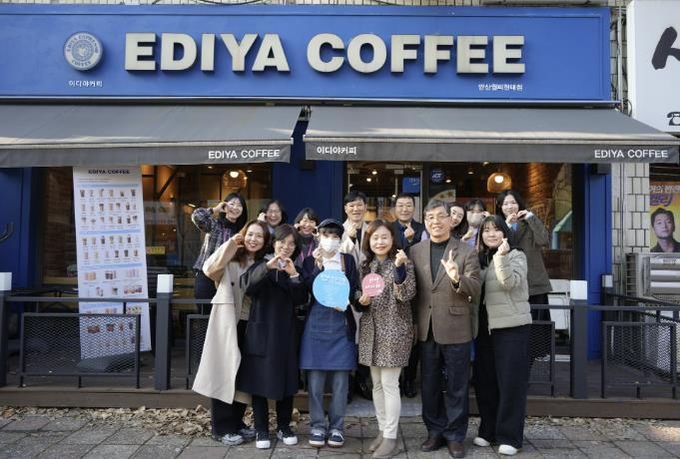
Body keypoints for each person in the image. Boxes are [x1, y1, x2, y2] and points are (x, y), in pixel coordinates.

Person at [410, 199, 481, 459]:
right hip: (426, 328)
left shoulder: (467, 251)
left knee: (457, 386)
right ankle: (434, 431)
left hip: (456, 326)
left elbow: (476, 287)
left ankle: (455, 435)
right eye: (430, 217)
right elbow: (412, 290)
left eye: (440, 216)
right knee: (429, 385)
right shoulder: (415, 250)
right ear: (425, 222)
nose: (435, 222)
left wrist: (456, 278)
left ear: (451, 220)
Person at [193, 220, 270, 445]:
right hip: (228, 322)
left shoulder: (265, 262)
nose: (254, 239)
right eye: (250, 234)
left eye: (259, 236)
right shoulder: (230, 258)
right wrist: (230, 245)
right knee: (224, 372)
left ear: (265, 241)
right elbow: (208, 269)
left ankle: (237, 422)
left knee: (244, 375)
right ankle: (221, 428)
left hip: (252, 325)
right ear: (243, 235)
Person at [237, 224, 308, 450]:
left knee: (286, 382)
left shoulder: (295, 269)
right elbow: (247, 287)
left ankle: (284, 426)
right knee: (259, 382)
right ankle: (261, 428)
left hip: (286, 333)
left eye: (291, 244)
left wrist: (294, 275)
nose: (286, 247)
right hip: (261, 332)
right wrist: (268, 267)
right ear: (273, 243)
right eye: (282, 242)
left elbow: (301, 299)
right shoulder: (260, 264)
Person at [473, 215, 532, 456]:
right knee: (485, 381)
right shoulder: (480, 258)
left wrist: (502, 257)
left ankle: (510, 437)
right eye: (486, 230)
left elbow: (509, 283)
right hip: (485, 329)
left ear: (505, 232)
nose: (491, 234)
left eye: (496, 229)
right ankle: (488, 430)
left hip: (512, 327)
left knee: (511, 383)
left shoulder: (516, 255)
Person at [357, 220, 416, 459]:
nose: (379, 242)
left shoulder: (403, 262)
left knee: (390, 384)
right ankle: (383, 431)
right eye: (375, 238)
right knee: (377, 385)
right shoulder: (366, 265)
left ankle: (391, 437)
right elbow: (359, 295)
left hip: (395, 330)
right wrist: (361, 299)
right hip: (371, 331)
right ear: (368, 241)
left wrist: (400, 270)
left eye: (384, 237)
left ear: (393, 240)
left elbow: (406, 294)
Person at [299, 218, 360, 449]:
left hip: (341, 324)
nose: (331, 240)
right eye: (327, 235)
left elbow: (354, 289)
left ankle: (337, 427)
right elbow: (307, 290)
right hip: (316, 324)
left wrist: (349, 299)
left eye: (336, 236)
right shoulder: (309, 261)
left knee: (340, 383)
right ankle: (317, 425)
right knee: (315, 382)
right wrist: (318, 266)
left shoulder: (347, 260)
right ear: (318, 236)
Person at [391, 193, 426, 399]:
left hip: (417, 287)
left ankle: (410, 379)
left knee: (413, 336)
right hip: (394, 286)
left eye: (408, 205)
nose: (404, 209)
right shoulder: (388, 228)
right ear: (395, 208)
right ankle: (395, 380)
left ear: (414, 208)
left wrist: (412, 241)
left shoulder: (423, 229)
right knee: (395, 333)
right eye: (401, 205)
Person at [339, 190, 372, 399]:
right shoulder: (338, 230)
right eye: (351, 205)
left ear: (365, 207)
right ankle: (349, 382)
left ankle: (363, 380)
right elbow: (338, 257)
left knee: (366, 337)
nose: (356, 209)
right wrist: (349, 238)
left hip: (369, 292)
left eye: (359, 205)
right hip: (347, 293)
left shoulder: (372, 229)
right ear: (345, 209)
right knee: (349, 337)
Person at [495, 190, 551, 315]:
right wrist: (508, 225)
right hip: (508, 281)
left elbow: (543, 240)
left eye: (513, 203)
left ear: (519, 204)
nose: (510, 207)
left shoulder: (529, 222)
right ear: (500, 207)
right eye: (505, 204)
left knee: (537, 323)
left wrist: (530, 217)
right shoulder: (496, 225)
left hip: (534, 282)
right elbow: (497, 247)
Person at [191, 193, 248, 307]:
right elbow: (197, 216)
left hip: (227, 280)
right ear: (225, 206)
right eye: (232, 204)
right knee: (204, 312)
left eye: (239, 205)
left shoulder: (242, 233)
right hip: (206, 276)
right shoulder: (215, 225)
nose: (235, 207)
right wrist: (215, 209)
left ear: (243, 210)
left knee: (224, 314)